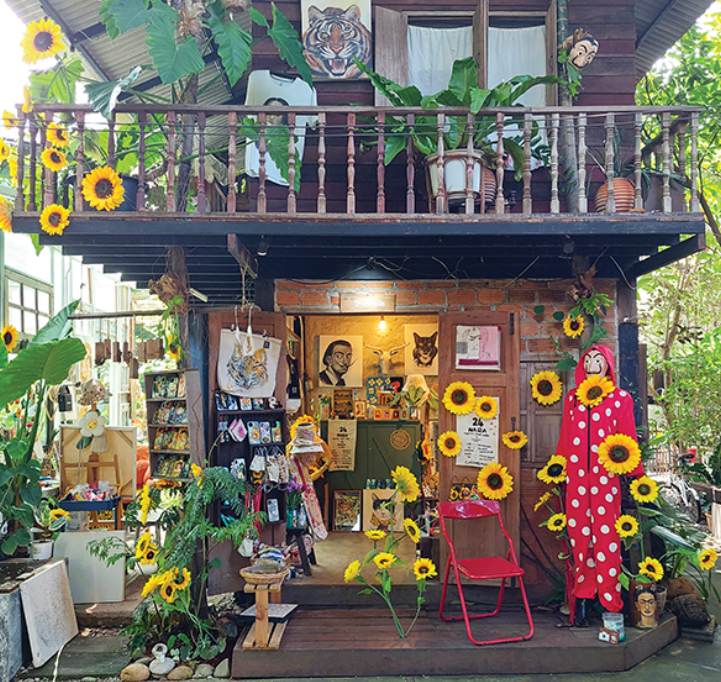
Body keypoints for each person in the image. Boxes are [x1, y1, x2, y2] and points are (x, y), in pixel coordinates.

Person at [556, 345, 645, 625]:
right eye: (588, 359)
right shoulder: (574, 399)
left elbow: (628, 438)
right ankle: (583, 597)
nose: (593, 363)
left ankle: (610, 602)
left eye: (599, 359)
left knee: (607, 540)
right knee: (580, 538)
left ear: (608, 365)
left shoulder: (620, 399)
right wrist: (559, 469)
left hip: (606, 480)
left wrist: (637, 476)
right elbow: (565, 436)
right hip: (576, 481)